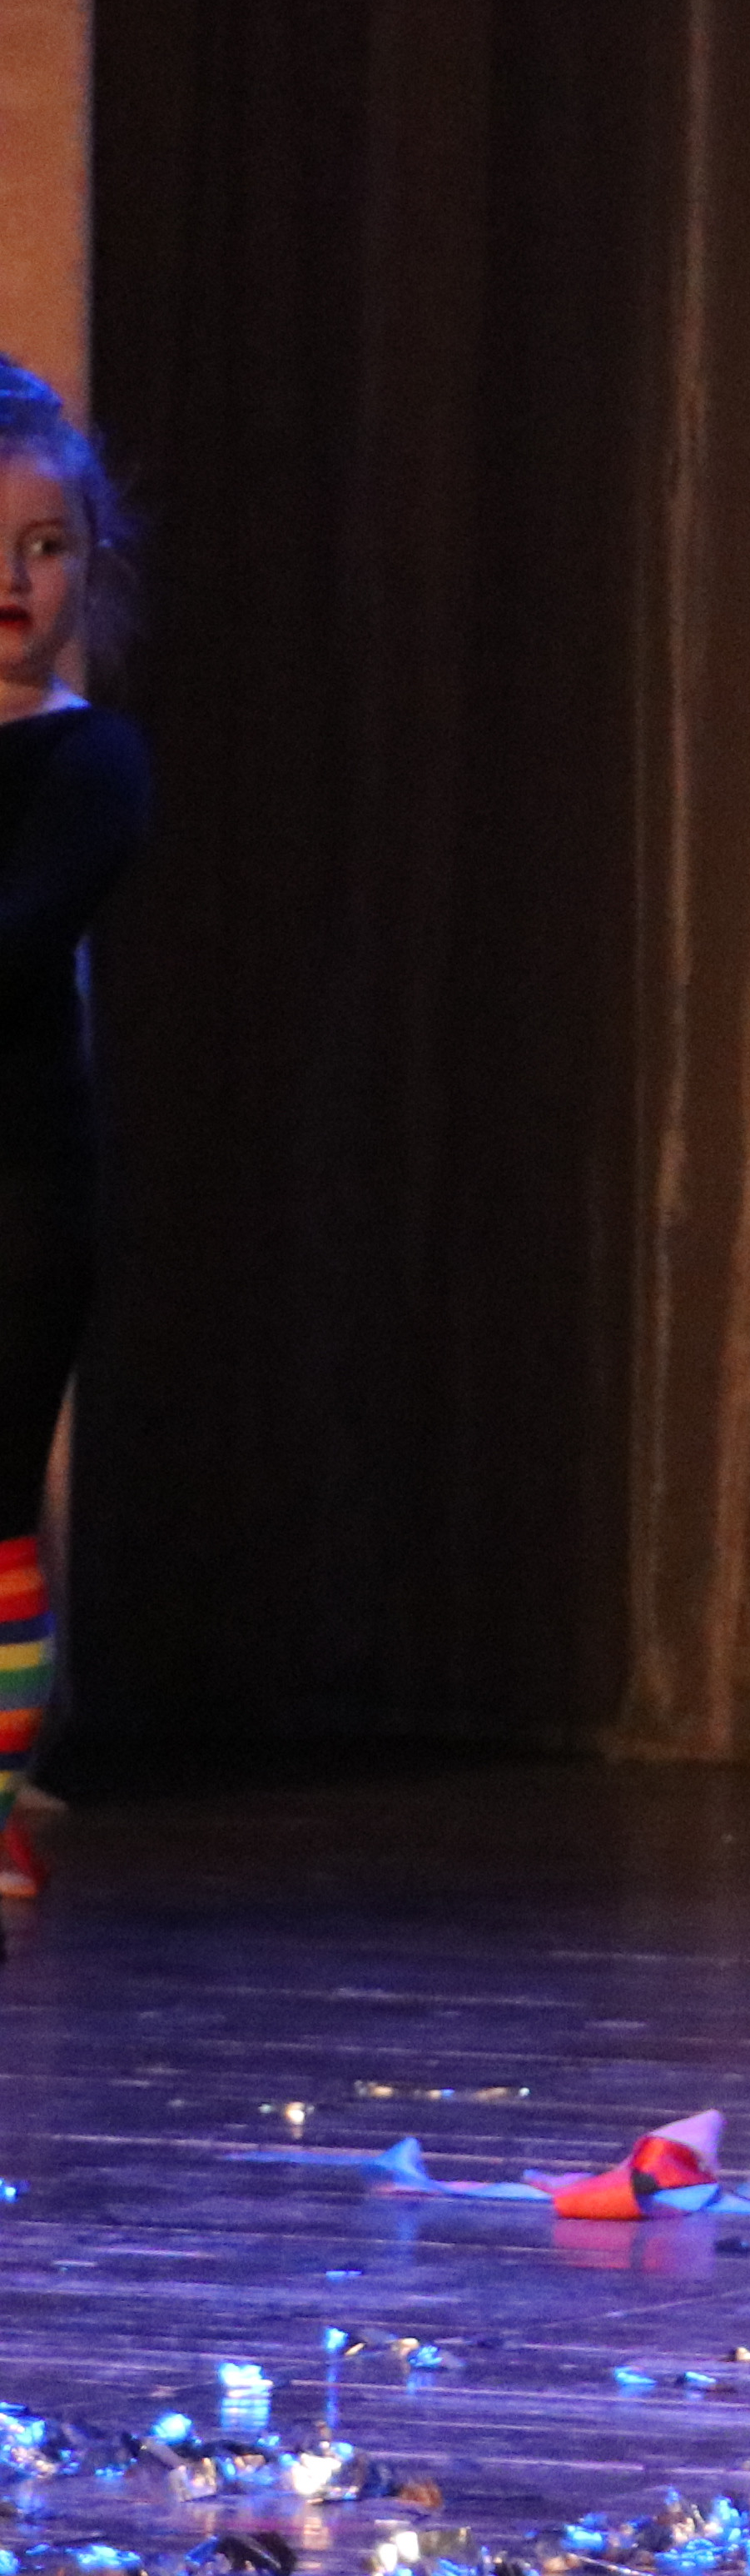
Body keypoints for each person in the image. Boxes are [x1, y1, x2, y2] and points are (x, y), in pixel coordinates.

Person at [0, 358, 140, 1933]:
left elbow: (19, 937)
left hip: (15, 1189)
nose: (13, 578)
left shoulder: (90, 758)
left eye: (46, 546)